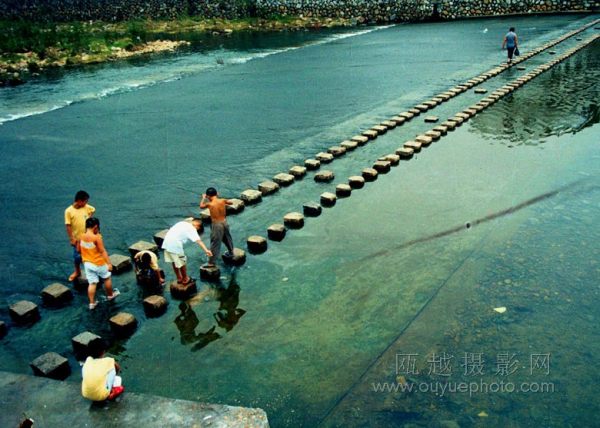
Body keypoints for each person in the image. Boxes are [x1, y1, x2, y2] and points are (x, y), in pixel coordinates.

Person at [78, 217, 119, 309]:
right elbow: (102, 251)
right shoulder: (96, 237)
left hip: (87, 264)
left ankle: (92, 303)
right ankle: (110, 295)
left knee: (92, 283)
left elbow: (78, 250)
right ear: (95, 227)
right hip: (98, 263)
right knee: (106, 278)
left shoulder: (81, 236)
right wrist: (109, 263)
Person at [161, 219, 212, 284]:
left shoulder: (182, 223)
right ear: (198, 227)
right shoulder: (192, 229)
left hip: (166, 242)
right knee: (182, 261)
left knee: (174, 261)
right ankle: (185, 279)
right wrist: (206, 250)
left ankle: (179, 278)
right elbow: (199, 241)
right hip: (175, 244)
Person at [64, 190, 95, 281]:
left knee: (90, 254)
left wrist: (89, 218)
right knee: (77, 257)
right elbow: (68, 225)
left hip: (88, 237)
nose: (86, 203)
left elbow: (93, 209)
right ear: (79, 201)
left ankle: (91, 271)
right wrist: (71, 238)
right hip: (77, 239)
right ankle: (77, 271)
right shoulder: (68, 211)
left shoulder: (86, 207)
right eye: (85, 201)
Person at [199, 187, 234, 266]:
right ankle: (231, 252)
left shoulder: (209, 204)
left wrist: (203, 198)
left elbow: (201, 206)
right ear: (217, 193)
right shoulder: (222, 200)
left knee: (215, 243)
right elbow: (231, 203)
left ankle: (211, 262)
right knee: (227, 238)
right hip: (224, 222)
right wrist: (223, 202)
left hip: (216, 225)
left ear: (208, 196)